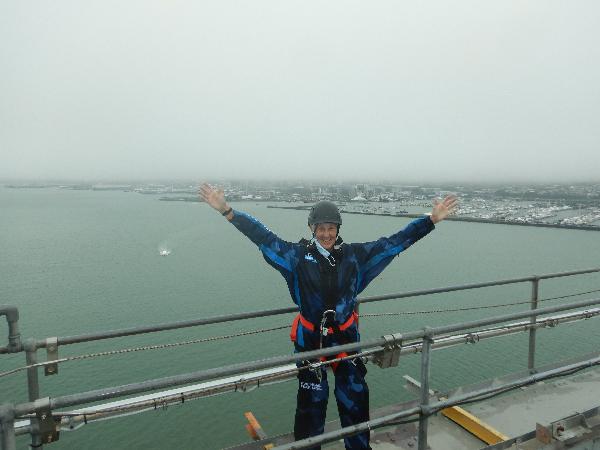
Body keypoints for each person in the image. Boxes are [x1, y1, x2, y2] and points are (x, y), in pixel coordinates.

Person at [199, 184, 457, 450]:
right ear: (312, 229)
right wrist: (227, 211)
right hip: (311, 342)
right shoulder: (297, 258)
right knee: (311, 407)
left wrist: (430, 221)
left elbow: (393, 243)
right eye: (320, 228)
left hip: (346, 340)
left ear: (338, 229)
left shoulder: (354, 257)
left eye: (331, 228)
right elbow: (262, 237)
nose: (326, 234)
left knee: (355, 401)